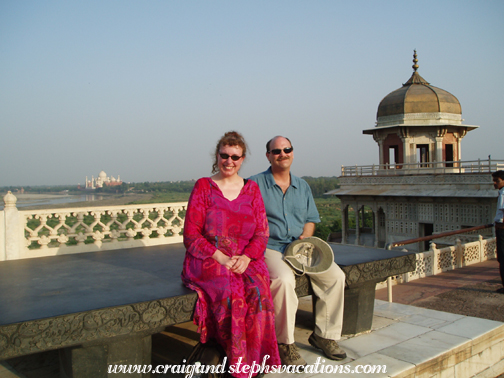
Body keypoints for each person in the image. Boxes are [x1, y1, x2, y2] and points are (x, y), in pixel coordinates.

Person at [181, 131, 281, 377]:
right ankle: (232, 359)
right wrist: (221, 257)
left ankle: (255, 362)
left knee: (258, 291)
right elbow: (191, 235)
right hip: (209, 258)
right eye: (224, 155)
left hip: (246, 258)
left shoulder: (252, 189)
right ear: (217, 156)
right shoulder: (204, 186)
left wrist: (246, 258)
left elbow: (261, 233)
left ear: (243, 159)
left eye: (235, 157)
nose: (229, 161)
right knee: (230, 292)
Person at [249, 135, 347, 367]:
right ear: (268, 156)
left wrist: (306, 236)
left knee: (335, 277)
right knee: (283, 281)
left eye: (287, 150)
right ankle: (285, 343)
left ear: (292, 152)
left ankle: (325, 336)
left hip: (299, 246)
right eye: (276, 151)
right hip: (269, 247)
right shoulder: (254, 184)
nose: (282, 154)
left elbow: (311, 219)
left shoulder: (301, 186)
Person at [492, 170, 504, 294]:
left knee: (502, 257)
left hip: (502, 230)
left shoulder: (503, 193)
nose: (495, 183)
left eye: (497, 181)